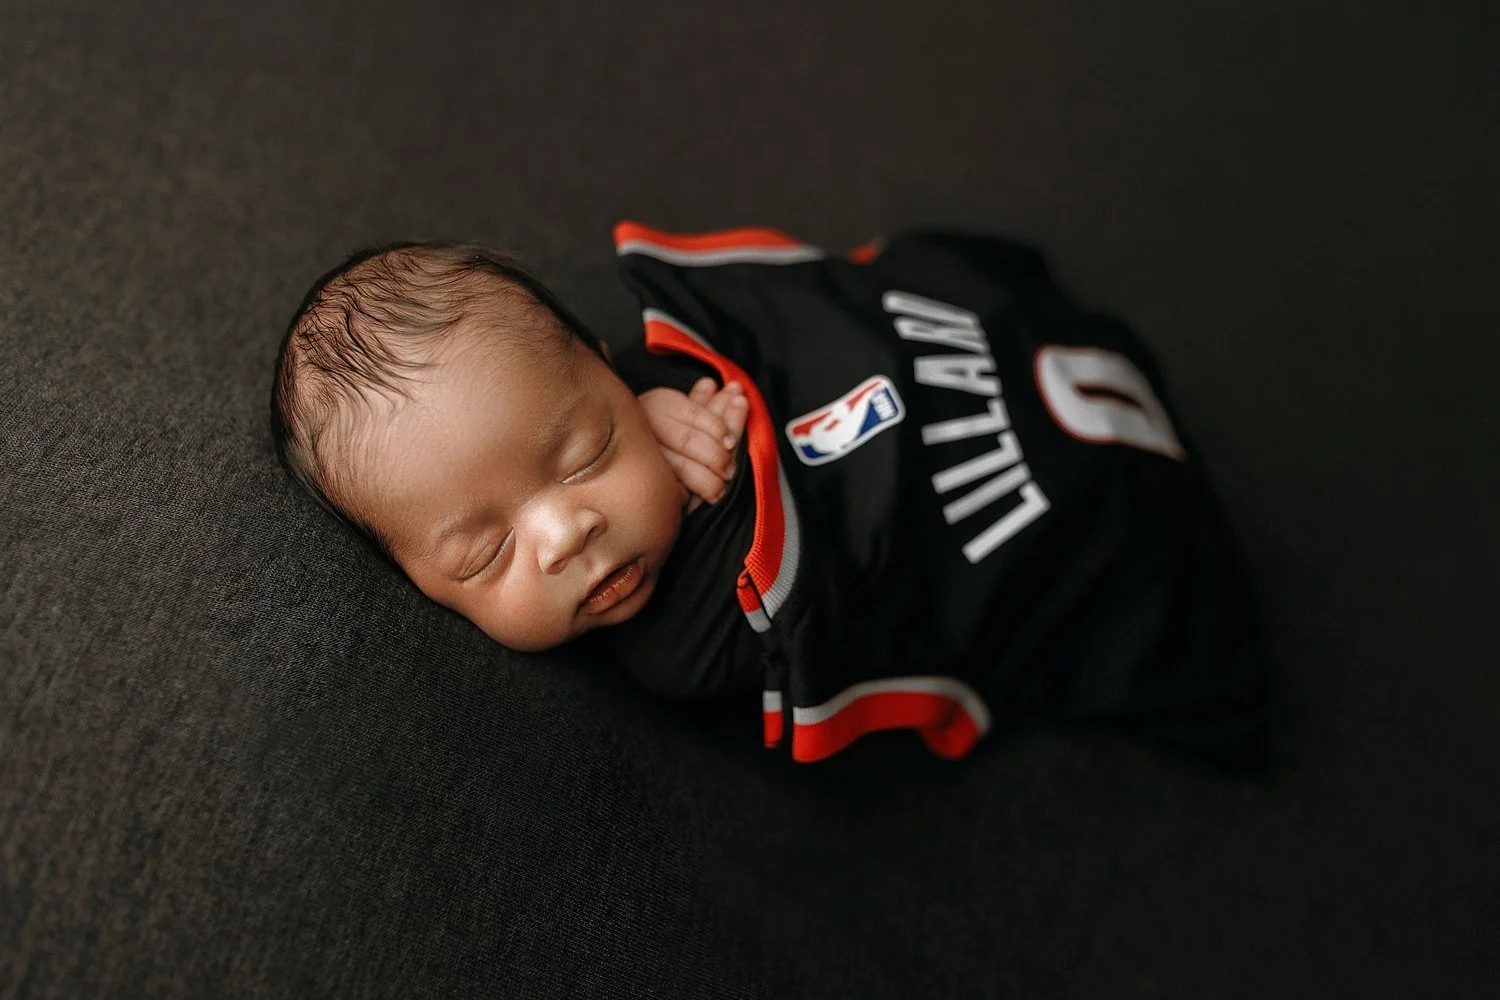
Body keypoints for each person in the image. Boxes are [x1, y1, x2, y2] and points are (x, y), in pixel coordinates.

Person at [271, 224, 1266, 767]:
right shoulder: (678, 654)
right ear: (413, 583)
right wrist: (673, 433)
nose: (566, 531)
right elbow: (772, 592)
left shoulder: (649, 378)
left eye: (580, 456)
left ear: (611, 366)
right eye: (483, 554)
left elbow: (722, 350)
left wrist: (670, 396)